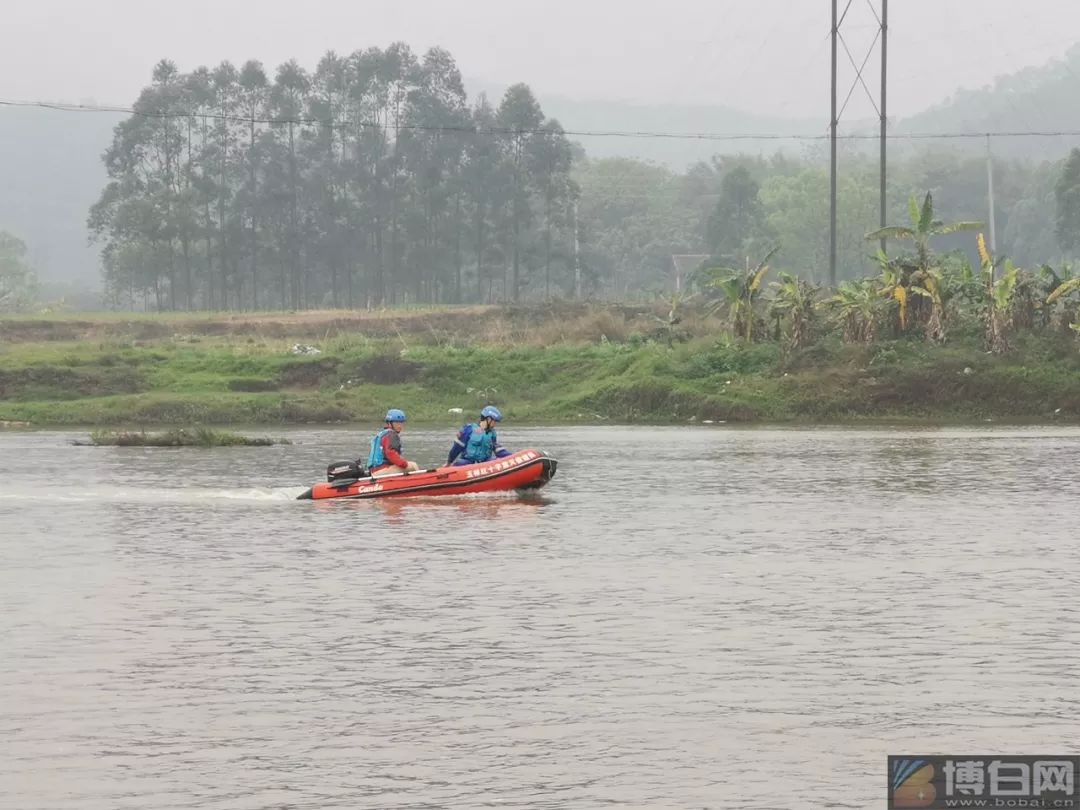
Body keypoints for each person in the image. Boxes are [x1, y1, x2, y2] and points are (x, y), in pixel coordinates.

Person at [447, 405, 512, 466]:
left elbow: (498, 449)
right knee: (460, 462)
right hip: (467, 463)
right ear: (488, 419)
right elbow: (457, 448)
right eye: (494, 421)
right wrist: (449, 462)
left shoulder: (492, 433)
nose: (495, 424)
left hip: (484, 463)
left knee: (494, 460)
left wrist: (513, 457)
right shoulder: (469, 429)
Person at [367, 408, 421, 477]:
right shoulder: (392, 435)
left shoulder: (382, 434)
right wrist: (404, 464)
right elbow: (390, 453)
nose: (400, 425)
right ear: (389, 423)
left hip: (374, 471)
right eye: (397, 423)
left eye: (401, 422)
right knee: (413, 465)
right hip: (381, 471)